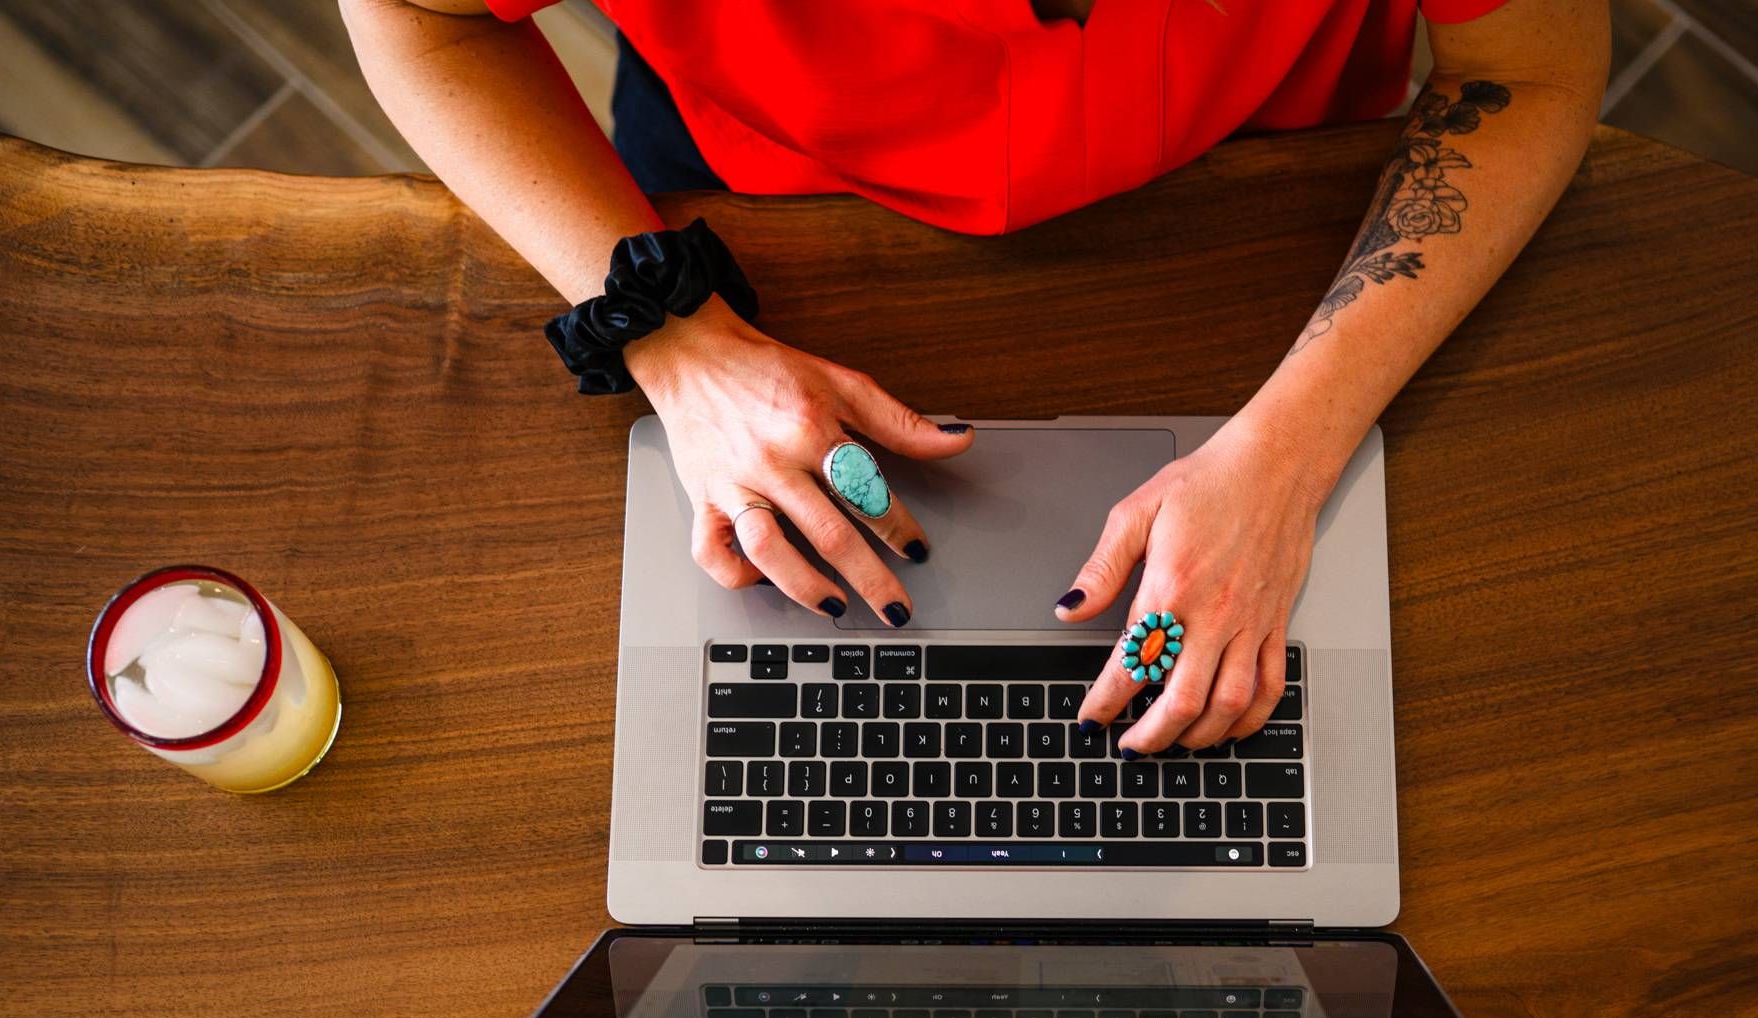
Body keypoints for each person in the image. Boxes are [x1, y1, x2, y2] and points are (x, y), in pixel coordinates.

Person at [342, 0, 1608, 753]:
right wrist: (669, 328)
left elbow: (1529, 66)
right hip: (766, 191)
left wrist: (1290, 452)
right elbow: (413, 17)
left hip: (1262, 181)